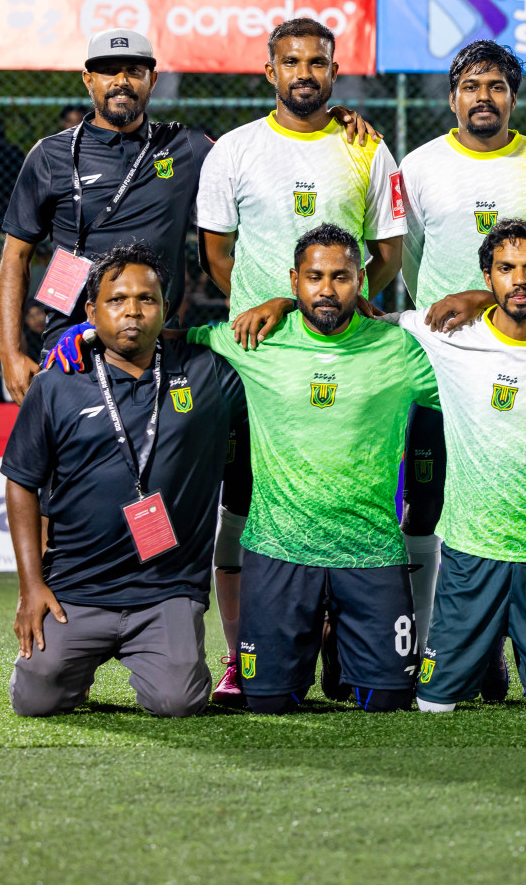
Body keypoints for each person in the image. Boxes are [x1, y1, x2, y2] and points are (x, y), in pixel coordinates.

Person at [192, 16, 402, 705]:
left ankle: (343, 640)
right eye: (291, 61)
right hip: (257, 362)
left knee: (340, 493)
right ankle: (238, 654)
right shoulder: (235, 150)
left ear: (334, 73)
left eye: (317, 62)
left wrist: (336, 307)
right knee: (241, 503)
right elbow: (217, 254)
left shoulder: (366, 148)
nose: (304, 73)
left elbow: (387, 253)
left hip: (345, 355)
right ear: (270, 71)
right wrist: (269, 315)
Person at [0, 26, 373, 401]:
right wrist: (10, 352)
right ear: (88, 79)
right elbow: (16, 256)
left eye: (134, 71)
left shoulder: (185, 147)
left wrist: (326, 121)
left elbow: (261, 152)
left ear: (152, 79)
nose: (121, 81)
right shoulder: (49, 156)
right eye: (109, 71)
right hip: (69, 347)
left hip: (157, 345)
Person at [186, 224, 437, 714]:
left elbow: (471, 386)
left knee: (387, 701)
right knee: (268, 702)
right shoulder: (256, 340)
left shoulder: (398, 349)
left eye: (341, 277)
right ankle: (324, 634)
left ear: (360, 281)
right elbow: (171, 344)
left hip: (370, 552)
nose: (327, 289)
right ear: (294, 282)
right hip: (278, 551)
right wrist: (84, 337)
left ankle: (339, 643)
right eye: (314, 277)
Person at [2, 243, 245, 717]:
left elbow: (272, 360)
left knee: (179, 702)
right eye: (116, 300)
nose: (132, 310)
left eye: (146, 299)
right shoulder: (56, 382)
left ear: (166, 309)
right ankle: (68, 669)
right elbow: (21, 482)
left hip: (167, 589)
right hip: (76, 588)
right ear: (91, 313)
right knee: (35, 701)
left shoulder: (206, 372)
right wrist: (31, 586)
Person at [393, 40, 526, 663]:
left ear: (513, 98)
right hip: (440, 363)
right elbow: (410, 259)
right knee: (425, 502)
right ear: (452, 98)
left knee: (507, 500)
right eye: (471, 86)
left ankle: (501, 646)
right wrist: (448, 318)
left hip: (517, 362)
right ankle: (429, 644)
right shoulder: (419, 165)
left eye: (496, 86)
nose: (483, 97)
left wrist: (486, 299)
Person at [393, 220, 526, 712]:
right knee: (433, 706)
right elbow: (364, 318)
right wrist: (282, 305)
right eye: (506, 269)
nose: (519, 280)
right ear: (488, 276)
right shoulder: (446, 334)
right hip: (470, 552)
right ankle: (482, 658)